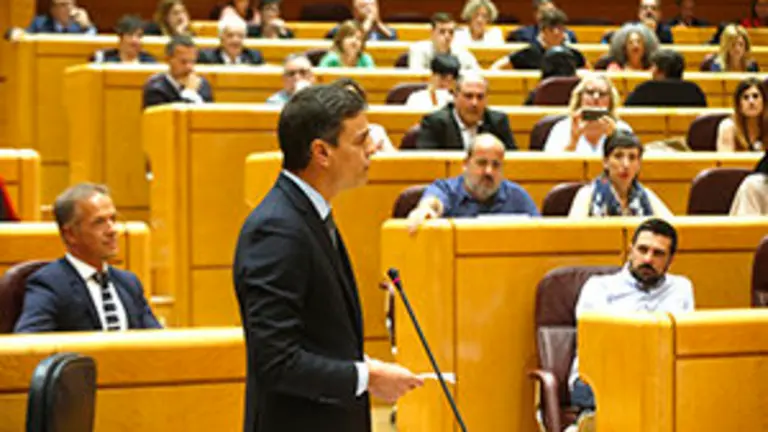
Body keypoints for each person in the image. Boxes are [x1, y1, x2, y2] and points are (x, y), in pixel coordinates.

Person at [233, 83, 423, 432]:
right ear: (322, 152)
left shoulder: (307, 215)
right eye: (360, 140)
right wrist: (366, 375)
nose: (372, 149)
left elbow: (316, 335)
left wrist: (364, 369)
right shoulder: (276, 230)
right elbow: (277, 361)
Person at [568, 218, 694, 413]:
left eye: (658, 254)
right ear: (630, 251)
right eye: (642, 250)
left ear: (671, 260)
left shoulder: (681, 288)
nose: (647, 260)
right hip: (599, 381)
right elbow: (601, 347)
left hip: (658, 381)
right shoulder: (599, 288)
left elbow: (680, 344)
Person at [14, 183, 162, 333]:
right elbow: (29, 341)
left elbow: (157, 341)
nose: (111, 230)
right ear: (70, 234)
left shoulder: (129, 283)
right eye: (99, 222)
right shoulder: (50, 283)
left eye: (113, 219)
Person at [407, 133, 538, 232]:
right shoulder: (446, 189)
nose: (489, 172)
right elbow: (434, 202)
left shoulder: (517, 196)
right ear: (465, 164)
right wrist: (425, 210)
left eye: (496, 165)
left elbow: (540, 232)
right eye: (482, 163)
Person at [569, 131, 673, 217]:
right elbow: (573, 235)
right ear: (605, 162)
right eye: (618, 156)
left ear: (639, 165)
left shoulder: (646, 195)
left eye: (632, 157)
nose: (626, 164)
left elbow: (672, 227)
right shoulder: (587, 194)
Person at [416, 72, 517, 150]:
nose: (474, 103)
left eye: (480, 97)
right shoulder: (435, 123)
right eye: (468, 96)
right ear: (455, 97)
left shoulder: (498, 122)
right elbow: (429, 167)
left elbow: (512, 162)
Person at [544, 74, 632, 154]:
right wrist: (573, 141)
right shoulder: (561, 128)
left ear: (610, 101)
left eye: (602, 94)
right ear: (580, 97)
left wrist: (614, 139)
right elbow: (552, 167)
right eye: (590, 92)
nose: (596, 97)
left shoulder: (622, 129)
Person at [490, 8, 585, 70]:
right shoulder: (528, 53)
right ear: (542, 31)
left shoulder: (572, 54)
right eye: (551, 29)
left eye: (560, 28)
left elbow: (589, 72)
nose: (556, 33)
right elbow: (496, 68)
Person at [142, 35, 214, 109]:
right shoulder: (155, 90)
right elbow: (174, 118)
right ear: (168, 59)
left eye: (192, 62)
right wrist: (189, 93)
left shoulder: (203, 85)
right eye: (183, 62)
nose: (189, 67)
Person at [624, 49, 707, 107]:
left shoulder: (643, 91)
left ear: (660, 71)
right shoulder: (694, 92)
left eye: (653, 67)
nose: (651, 71)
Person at [333, 78, 395, 151]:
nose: (350, 103)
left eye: (355, 99)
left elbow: (394, 160)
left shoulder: (376, 131)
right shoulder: (330, 134)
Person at [409, 13, 480, 71]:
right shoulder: (418, 50)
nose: (447, 36)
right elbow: (416, 78)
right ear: (432, 33)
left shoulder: (463, 54)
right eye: (442, 32)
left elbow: (478, 76)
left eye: (451, 32)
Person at [717, 77, 768, 152]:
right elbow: (725, 162)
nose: (751, 101)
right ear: (739, 105)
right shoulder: (728, 127)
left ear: (764, 102)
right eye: (746, 97)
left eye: (755, 96)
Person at [198, 17, 265, 65]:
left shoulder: (254, 58)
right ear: (221, 39)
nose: (235, 40)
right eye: (230, 35)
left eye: (240, 36)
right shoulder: (206, 58)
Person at [91, 15, 157, 64]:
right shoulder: (104, 59)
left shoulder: (149, 61)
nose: (135, 40)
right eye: (130, 35)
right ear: (121, 38)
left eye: (139, 36)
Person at [509, 0, 577, 43]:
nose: (549, 15)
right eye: (544, 12)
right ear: (535, 14)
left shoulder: (570, 35)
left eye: (551, 11)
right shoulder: (521, 35)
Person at [326, 0, 397, 41]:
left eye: (373, 6)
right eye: (364, 7)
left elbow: (396, 44)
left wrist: (378, 24)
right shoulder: (342, 29)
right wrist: (367, 23)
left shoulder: (388, 30)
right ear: (355, 11)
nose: (370, 10)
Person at [26, 0, 95, 34]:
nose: (69, 8)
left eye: (71, 4)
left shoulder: (79, 24)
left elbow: (93, 47)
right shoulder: (40, 24)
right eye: (63, 5)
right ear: (53, 10)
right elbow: (25, 38)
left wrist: (87, 26)